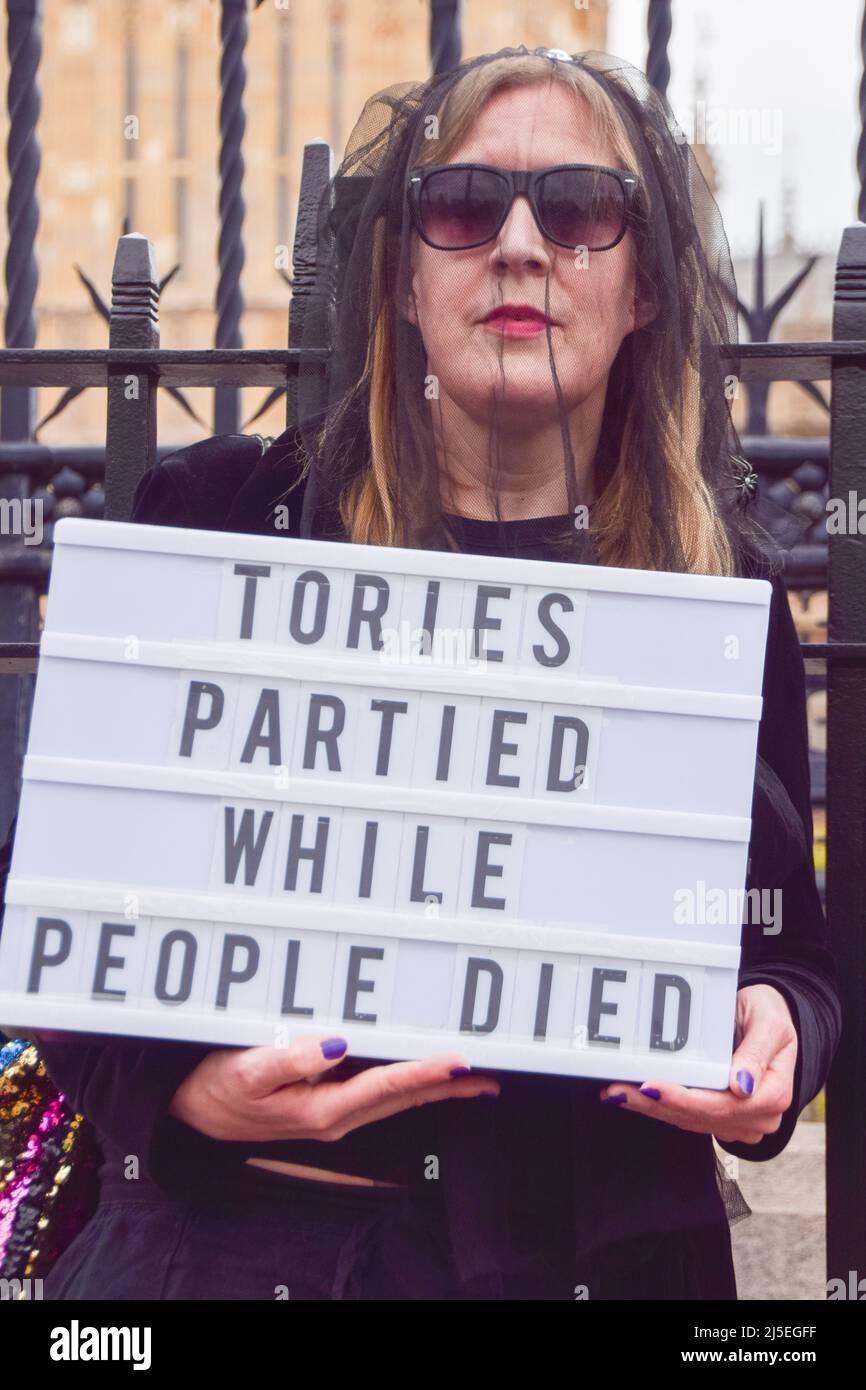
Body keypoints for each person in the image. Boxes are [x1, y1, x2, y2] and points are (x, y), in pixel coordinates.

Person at [1, 46, 840, 1300]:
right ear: (398, 274)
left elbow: (790, 951)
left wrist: (781, 1034)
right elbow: (70, 914)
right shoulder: (219, 522)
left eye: (578, 209)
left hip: (599, 1262)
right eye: (460, 206)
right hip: (247, 1252)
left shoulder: (713, 594)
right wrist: (179, 1090)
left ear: (644, 289)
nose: (518, 244)